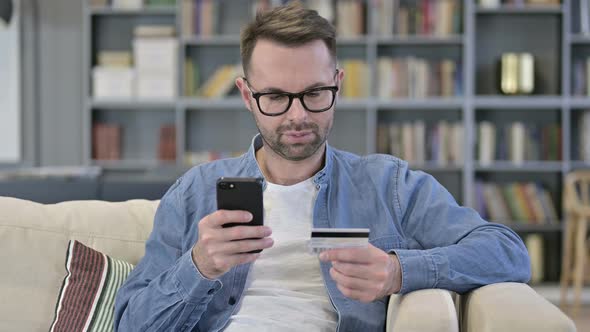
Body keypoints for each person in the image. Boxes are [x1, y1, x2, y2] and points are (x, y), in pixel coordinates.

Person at [114, 2, 530, 331]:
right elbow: (130, 324)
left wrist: (396, 272)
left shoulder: (389, 185)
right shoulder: (194, 191)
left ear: (338, 84)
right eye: (275, 96)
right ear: (246, 94)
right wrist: (199, 266)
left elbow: (507, 253)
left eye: (314, 92)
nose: (297, 115)